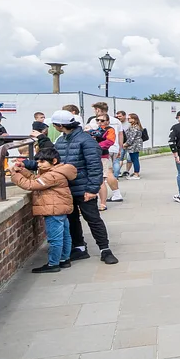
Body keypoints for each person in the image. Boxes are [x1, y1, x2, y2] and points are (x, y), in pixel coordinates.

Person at [49, 109, 118, 264]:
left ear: (60, 125)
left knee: (93, 219)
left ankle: (105, 249)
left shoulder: (86, 140)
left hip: (84, 188)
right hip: (67, 188)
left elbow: (95, 166)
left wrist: (92, 189)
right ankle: (79, 248)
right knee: (72, 219)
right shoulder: (61, 140)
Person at [10, 145, 76, 273]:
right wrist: (22, 171)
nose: (38, 165)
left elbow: (31, 184)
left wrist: (13, 174)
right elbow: (37, 179)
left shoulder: (52, 175)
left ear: (54, 161)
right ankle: (64, 259)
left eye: (42, 162)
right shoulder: (57, 172)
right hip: (60, 208)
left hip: (53, 210)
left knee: (55, 238)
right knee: (65, 235)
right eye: (38, 162)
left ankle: (53, 264)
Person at [88, 107, 122, 209]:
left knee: (104, 177)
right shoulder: (94, 128)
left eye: (102, 121)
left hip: (104, 154)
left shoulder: (109, 129)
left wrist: (96, 146)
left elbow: (110, 141)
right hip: (93, 155)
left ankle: (106, 200)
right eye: (97, 120)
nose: (99, 122)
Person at [122, 114, 144, 179]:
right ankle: (135, 172)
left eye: (129, 118)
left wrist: (125, 144)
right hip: (134, 145)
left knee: (135, 159)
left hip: (134, 146)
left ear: (134, 119)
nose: (128, 119)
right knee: (134, 159)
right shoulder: (132, 126)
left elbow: (131, 138)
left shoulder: (135, 127)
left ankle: (136, 174)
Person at [110, 110, 128, 179]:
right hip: (116, 146)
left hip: (108, 146)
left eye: (120, 116)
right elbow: (121, 136)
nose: (118, 117)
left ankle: (110, 176)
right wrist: (120, 147)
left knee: (110, 162)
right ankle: (116, 176)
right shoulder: (118, 123)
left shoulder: (107, 125)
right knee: (116, 161)